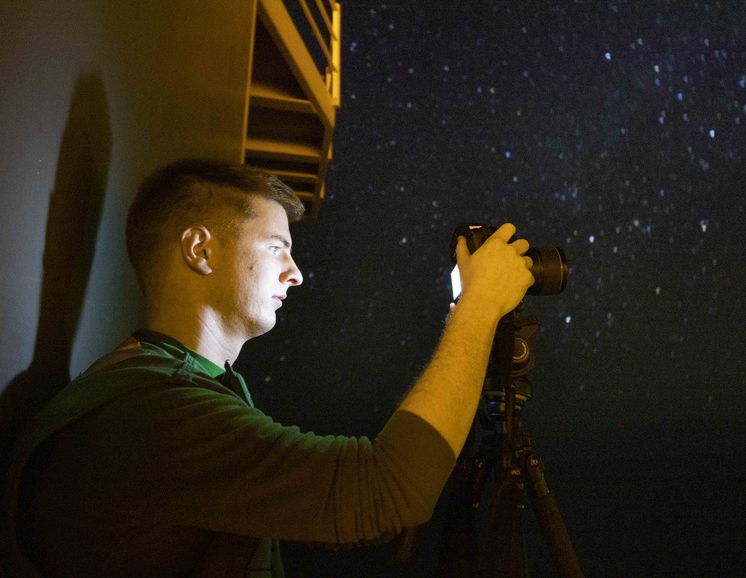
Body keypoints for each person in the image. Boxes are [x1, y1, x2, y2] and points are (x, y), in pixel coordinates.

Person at [2, 158, 535, 576]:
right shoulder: (157, 416)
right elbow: (388, 491)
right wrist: (478, 310)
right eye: (278, 247)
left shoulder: (156, 386)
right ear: (199, 250)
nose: (296, 274)